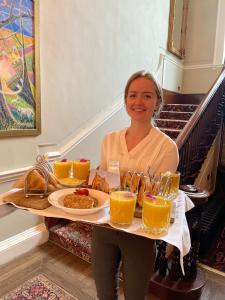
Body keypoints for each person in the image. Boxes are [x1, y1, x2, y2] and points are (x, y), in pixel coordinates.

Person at [91, 71, 179, 300]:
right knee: (104, 294)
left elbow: (158, 198)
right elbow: (103, 184)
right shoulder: (109, 139)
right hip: (105, 228)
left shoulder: (166, 148)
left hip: (139, 234)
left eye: (147, 96)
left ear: (158, 102)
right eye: (133, 95)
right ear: (126, 100)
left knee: (135, 296)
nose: (138, 102)